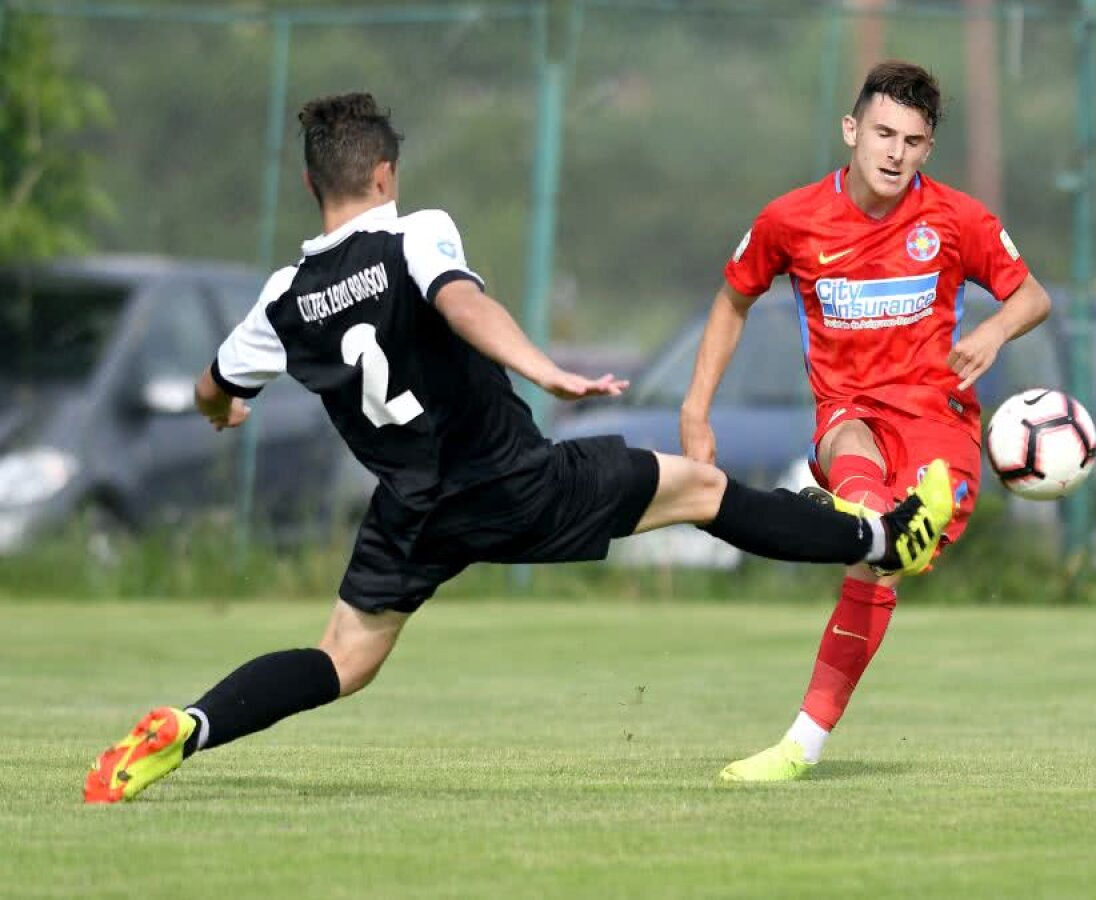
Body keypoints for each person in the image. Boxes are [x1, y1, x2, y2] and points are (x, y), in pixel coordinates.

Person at [83, 92, 954, 804]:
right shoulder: (414, 232)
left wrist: (220, 409)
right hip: (515, 481)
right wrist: (546, 368)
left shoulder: (282, 298)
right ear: (385, 174)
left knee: (340, 660)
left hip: (411, 511)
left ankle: (189, 727)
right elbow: (461, 303)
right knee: (697, 486)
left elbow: (212, 385)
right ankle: (881, 537)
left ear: (314, 182)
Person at [680, 61, 1052, 782]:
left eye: (912, 140)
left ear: (927, 150)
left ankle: (804, 733)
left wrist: (995, 331)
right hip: (848, 413)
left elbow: (1031, 295)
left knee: (878, 570)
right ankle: (875, 524)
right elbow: (732, 301)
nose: (894, 152)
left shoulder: (955, 219)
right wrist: (696, 409)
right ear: (851, 130)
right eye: (883, 132)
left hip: (936, 421)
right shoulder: (789, 220)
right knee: (850, 448)